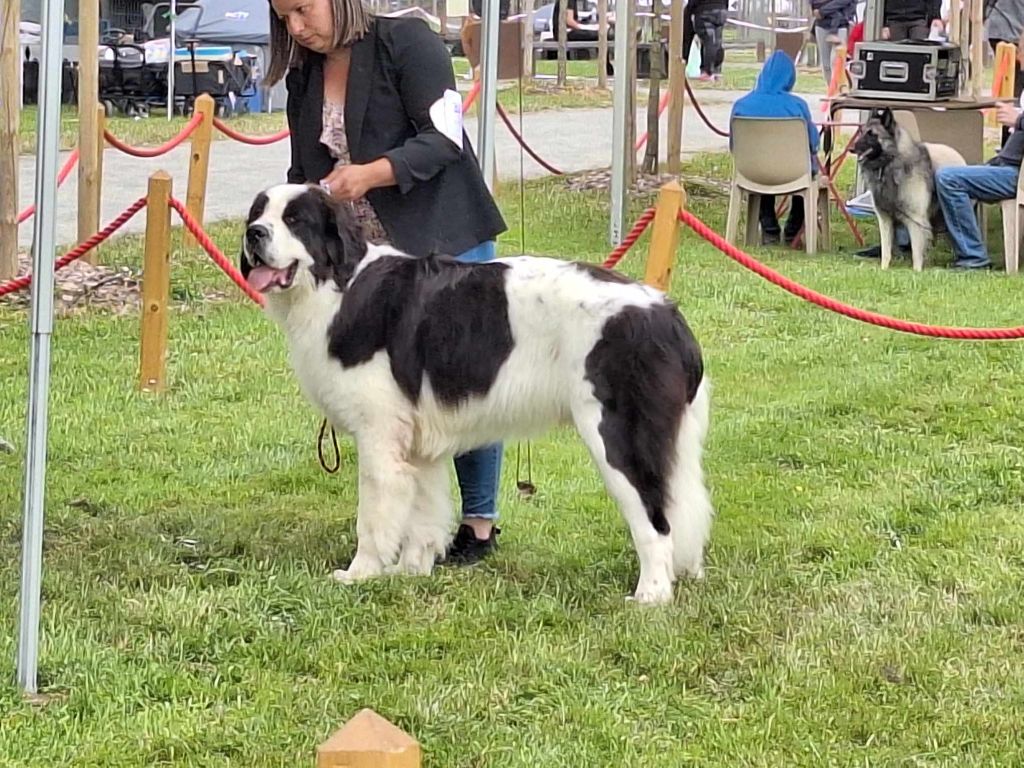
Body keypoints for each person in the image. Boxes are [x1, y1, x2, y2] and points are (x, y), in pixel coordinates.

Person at [265, 0, 508, 562]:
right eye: (284, 19)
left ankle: (477, 523)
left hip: (443, 235)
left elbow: (445, 138)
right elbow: (303, 171)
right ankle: (414, 528)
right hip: (360, 257)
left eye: (303, 10)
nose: (297, 28)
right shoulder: (304, 71)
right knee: (389, 397)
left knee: (469, 378)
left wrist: (370, 174)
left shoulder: (410, 42)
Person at [730, 50, 820, 245]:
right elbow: (813, 145)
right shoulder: (797, 106)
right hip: (795, 173)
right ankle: (793, 231)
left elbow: (734, 146)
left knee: (762, 165)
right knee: (809, 171)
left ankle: (769, 229)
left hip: (752, 172)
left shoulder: (740, 106)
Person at [934, 102, 1024, 270]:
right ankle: (903, 242)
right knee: (935, 171)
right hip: (1006, 166)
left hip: (1018, 176)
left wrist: (1018, 119)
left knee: (948, 178)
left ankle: (973, 257)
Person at [984, 0, 1024, 145]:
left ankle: (1010, 143)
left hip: (1004, 25)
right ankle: (1010, 143)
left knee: (1013, 91)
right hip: (1005, 27)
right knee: (1013, 91)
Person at [811, 0, 856, 85]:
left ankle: (837, 89)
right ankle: (830, 89)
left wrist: (822, 11)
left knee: (837, 61)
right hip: (822, 25)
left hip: (841, 25)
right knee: (825, 64)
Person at [683, 0, 728, 81]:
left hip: (704, 11)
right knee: (716, 41)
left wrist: (689, 11)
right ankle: (715, 70)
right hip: (721, 9)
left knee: (708, 41)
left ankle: (707, 72)